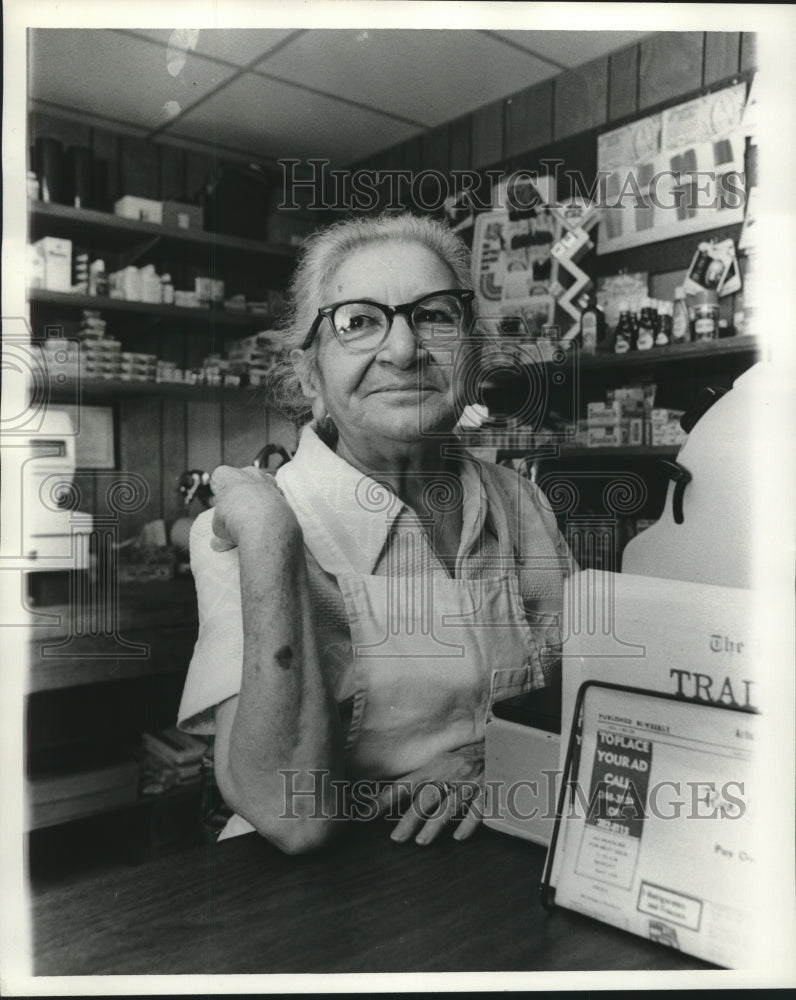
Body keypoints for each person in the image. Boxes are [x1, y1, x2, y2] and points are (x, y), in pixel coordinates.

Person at [177, 213, 572, 853]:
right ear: (310, 378)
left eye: (435, 316)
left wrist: (490, 760)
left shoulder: (520, 502)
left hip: (501, 851)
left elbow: (585, 701)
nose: (403, 350)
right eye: (358, 322)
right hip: (320, 893)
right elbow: (291, 814)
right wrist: (273, 538)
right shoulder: (246, 528)